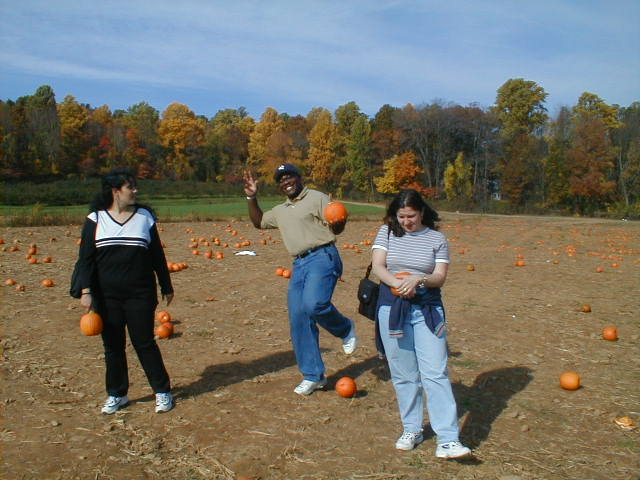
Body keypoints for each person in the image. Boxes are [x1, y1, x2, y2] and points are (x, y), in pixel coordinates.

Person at [371, 189, 470, 458]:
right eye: (401, 216)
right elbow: (378, 266)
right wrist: (399, 284)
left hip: (427, 310)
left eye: (411, 216)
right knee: (403, 374)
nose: (406, 221)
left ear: (422, 212)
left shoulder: (437, 239)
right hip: (392, 308)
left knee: (435, 373)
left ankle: (448, 439)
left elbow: (439, 276)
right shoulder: (386, 232)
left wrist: (419, 280)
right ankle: (411, 429)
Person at [243, 164, 357, 395]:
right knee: (298, 318)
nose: (286, 181)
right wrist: (251, 197)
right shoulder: (281, 210)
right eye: (281, 179)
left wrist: (339, 224)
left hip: (323, 256)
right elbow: (259, 221)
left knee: (314, 304)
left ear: (299, 177)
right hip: (299, 264)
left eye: (289, 176)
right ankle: (313, 376)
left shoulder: (317, 197)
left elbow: (336, 224)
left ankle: (345, 328)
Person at [75, 168, 175, 414]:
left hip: (140, 294)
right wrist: (86, 291)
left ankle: (162, 391)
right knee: (113, 347)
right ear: (115, 191)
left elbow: (157, 255)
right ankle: (117, 394)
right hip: (106, 295)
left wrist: (166, 285)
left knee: (144, 343)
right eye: (130, 187)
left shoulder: (144, 217)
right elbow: (85, 259)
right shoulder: (95, 219)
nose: (135, 191)